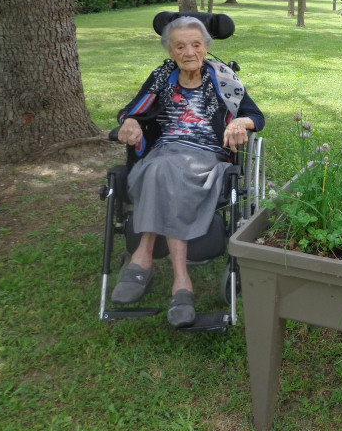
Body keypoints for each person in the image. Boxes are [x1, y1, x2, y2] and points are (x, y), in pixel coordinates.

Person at [111, 16, 264, 328]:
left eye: (196, 44)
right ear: (171, 51)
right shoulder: (161, 77)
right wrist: (130, 121)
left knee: (162, 170)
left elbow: (255, 116)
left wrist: (238, 122)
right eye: (180, 46)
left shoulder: (224, 79)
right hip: (164, 152)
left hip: (207, 157)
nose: (189, 52)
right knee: (161, 167)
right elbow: (132, 109)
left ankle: (143, 257)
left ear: (206, 48)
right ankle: (181, 283)